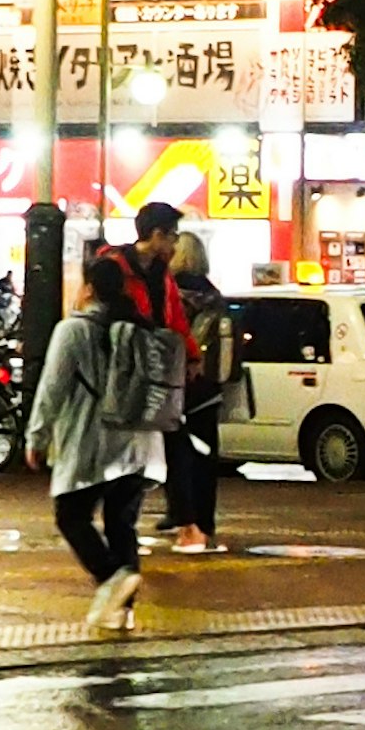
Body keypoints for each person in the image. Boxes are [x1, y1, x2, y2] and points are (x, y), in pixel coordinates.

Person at [25, 241, 163, 627]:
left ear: (88, 288)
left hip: (92, 441)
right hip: (139, 442)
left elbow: (52, 389)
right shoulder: (141, 328)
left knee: (71, 515)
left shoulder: (73, 331)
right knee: (122, 523)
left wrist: (36, 438)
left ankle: (110, 578)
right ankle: (124, 610)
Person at [154, 227, 229, 552]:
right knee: (205, 455)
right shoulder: (215, 296)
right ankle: (205, 518)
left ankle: (181, 515)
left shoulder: (171, 293)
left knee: (175, 452)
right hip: (208, 387)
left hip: (177, 385)